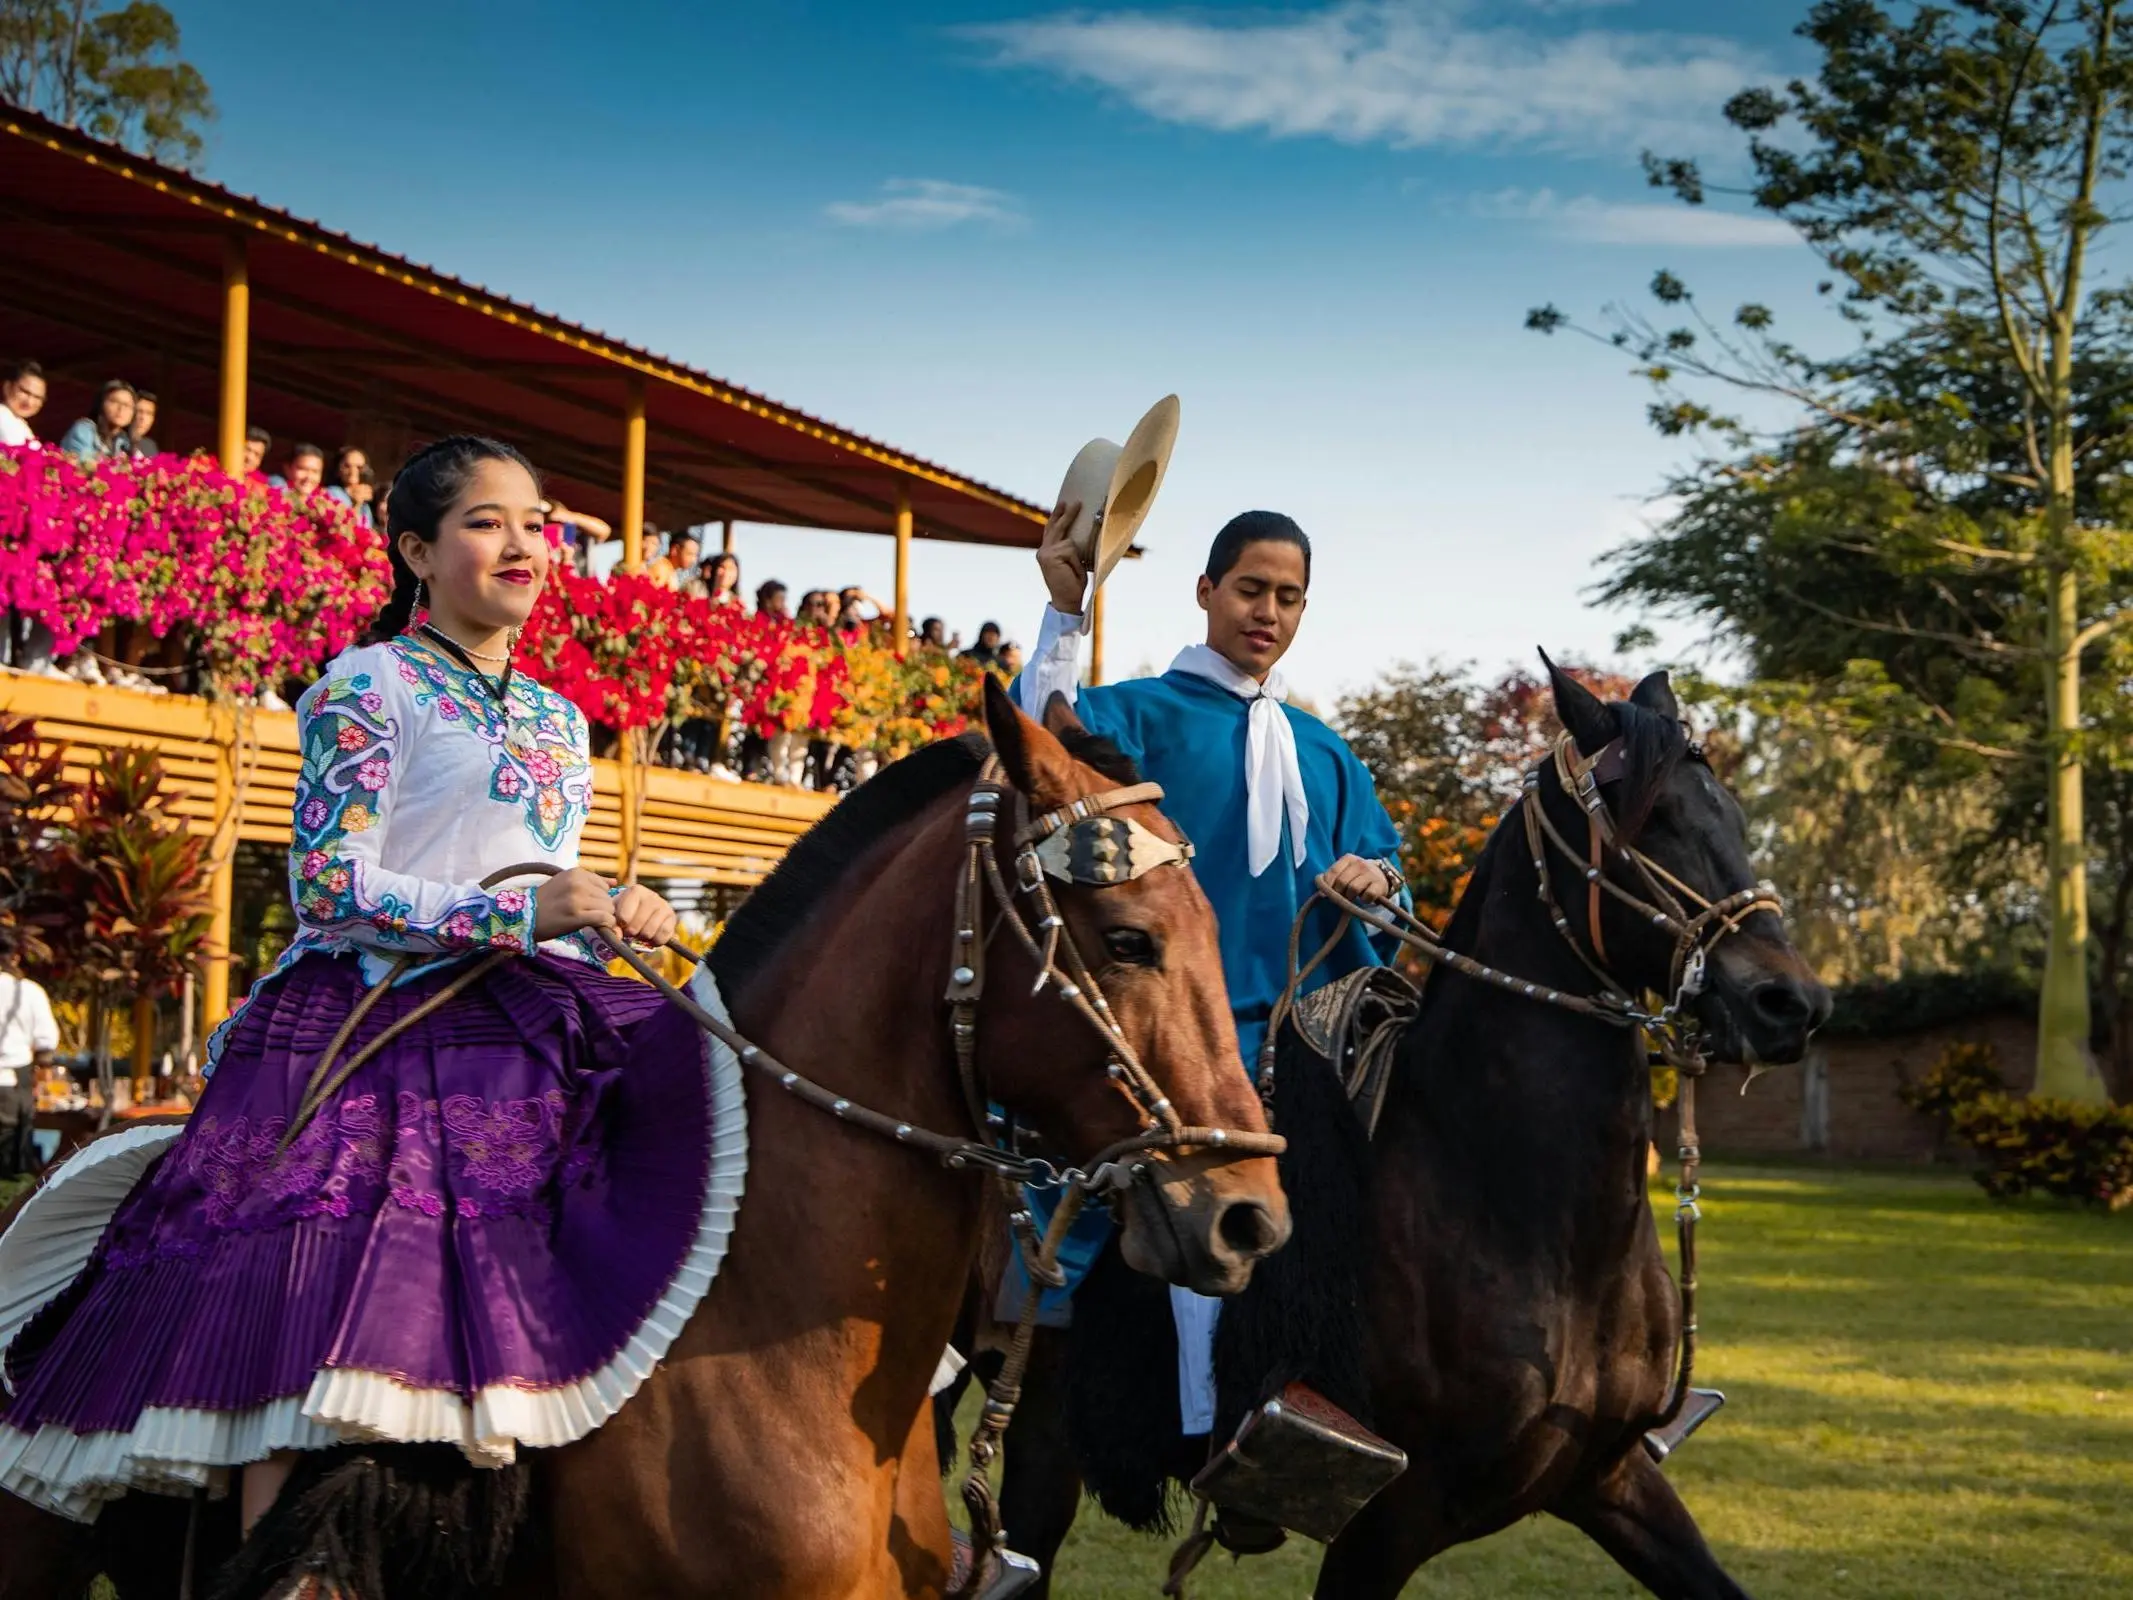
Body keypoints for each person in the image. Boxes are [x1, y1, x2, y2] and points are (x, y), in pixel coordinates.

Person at [0, 436, 725, 1540]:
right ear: (416, 552)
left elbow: (539, 863)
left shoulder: (565, 720)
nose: (522, 541)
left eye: (537, 522)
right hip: (370, 1011)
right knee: (323, 1265)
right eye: (487, 521)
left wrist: (626, 907)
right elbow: (330, 883)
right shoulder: (365, 681)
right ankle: (289, 1562)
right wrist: (522, 911)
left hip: (543, 1005)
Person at [1012, 503, 1406, 1508]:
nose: (1267, 611)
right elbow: (1038, 756)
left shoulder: (1327, 752)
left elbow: (1391, 881)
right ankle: (1202, 1438)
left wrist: (1376, 879)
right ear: (1205, 590)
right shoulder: (1138, 713)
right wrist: (1063, 616)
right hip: (1178, 1040)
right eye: (1249, 588)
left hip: (1310, 1041)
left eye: (1288, 597)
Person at [0, 929, 58, 1181]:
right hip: (14, 1083)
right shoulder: (29, 992)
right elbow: (45, 1043)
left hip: (14, 1081)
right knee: (11, 1159)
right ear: (15, 957)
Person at [57, 379, 136, 461]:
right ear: (101, 404)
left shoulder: (125, 441)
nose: (121, 409)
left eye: (127, 405)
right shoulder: (84, 430)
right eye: (114, 401)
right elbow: (84, 466)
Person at [0, 359, 45, 450]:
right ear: (7, 387)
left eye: (37, 397)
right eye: (25, 392)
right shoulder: (2, 415)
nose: (29, 402)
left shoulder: (20, 423)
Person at [327, 446, 377, 527]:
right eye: (347, 466)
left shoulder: (365, 505)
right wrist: (356, 505)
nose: (353, 471)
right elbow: (342, 528)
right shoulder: (332, 493)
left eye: (359, 467)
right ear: (338, 470)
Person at [127, 390, 158, 456]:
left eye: (149, 413)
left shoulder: (150, 446)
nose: (143, 418)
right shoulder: (118, 441)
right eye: (139, 411)